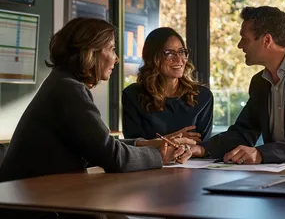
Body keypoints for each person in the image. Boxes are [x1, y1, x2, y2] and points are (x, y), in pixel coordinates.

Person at [0, 18, 192, 184]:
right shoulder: (69, 89)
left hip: (36, 195)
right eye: (112, 49)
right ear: (91, 52)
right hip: (30, 206)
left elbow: (98, 145)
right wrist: (159, 155)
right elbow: (112, 156)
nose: (116, 59)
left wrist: (147, 144)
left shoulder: (62, 82)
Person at [192, 6, 285, 164]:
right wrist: (203, 149)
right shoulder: (259, 82)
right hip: (274, 175)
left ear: (267, 40)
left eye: (244, 38)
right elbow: (244, 131)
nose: (239, 45)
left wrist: (261, 154)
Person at [122, 27, 213, 143]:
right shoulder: (132, 95)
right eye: (170, 53)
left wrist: (157, 142)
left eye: (181, 51)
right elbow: (133, 146)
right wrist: (171, 139)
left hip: (190, 161)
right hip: (152, 161)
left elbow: (202, 147)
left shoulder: (203, 97)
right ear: (153, 58)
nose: (179, 59)